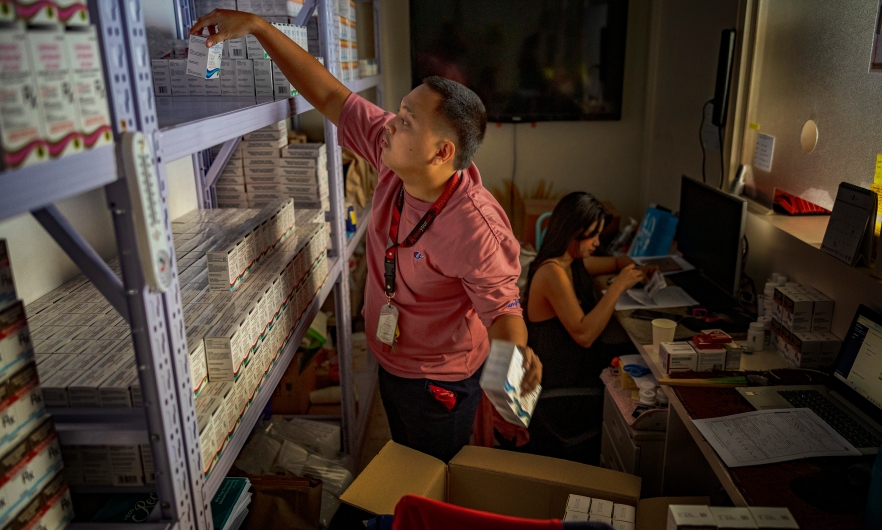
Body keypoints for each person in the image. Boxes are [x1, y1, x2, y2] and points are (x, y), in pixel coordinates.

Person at [190, 11, 542, 463]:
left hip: (440, 382)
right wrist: (260, 28)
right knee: (403, 459)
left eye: (407, 121)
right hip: (392, 360)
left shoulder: (476, 227)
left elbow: (503, 310)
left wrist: (517, 352)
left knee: (431, 479)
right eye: (398, 112)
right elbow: (329, 93)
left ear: (442, 152)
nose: (391, 124)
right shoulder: (393, 153)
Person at [522, 192, 652, 464]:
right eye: (592, 237)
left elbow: (614, 262)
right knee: (640, 360)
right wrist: (618, 286)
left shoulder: (570, 262)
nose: (596, 243)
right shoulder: (552, 272)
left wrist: (631, 267)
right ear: (572, 233)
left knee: (631, 350)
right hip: (563, 381)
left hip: (574, 367)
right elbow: (584, 335)